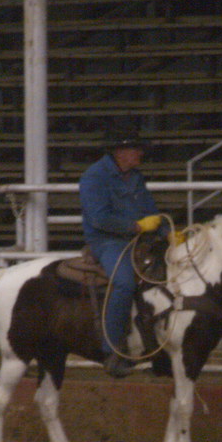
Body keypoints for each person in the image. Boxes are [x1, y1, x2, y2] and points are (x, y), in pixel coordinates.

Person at [79, 123, 165, 377]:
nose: (140, 154)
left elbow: (151, 211)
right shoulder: (94, 177)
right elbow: (98, 219)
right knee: (125, 283)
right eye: (136, 150)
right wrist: (137, 226)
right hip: (107, 242)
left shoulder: (135, 177)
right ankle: (113, 350)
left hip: (136, 239)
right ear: (120, 152)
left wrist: (167, 234)